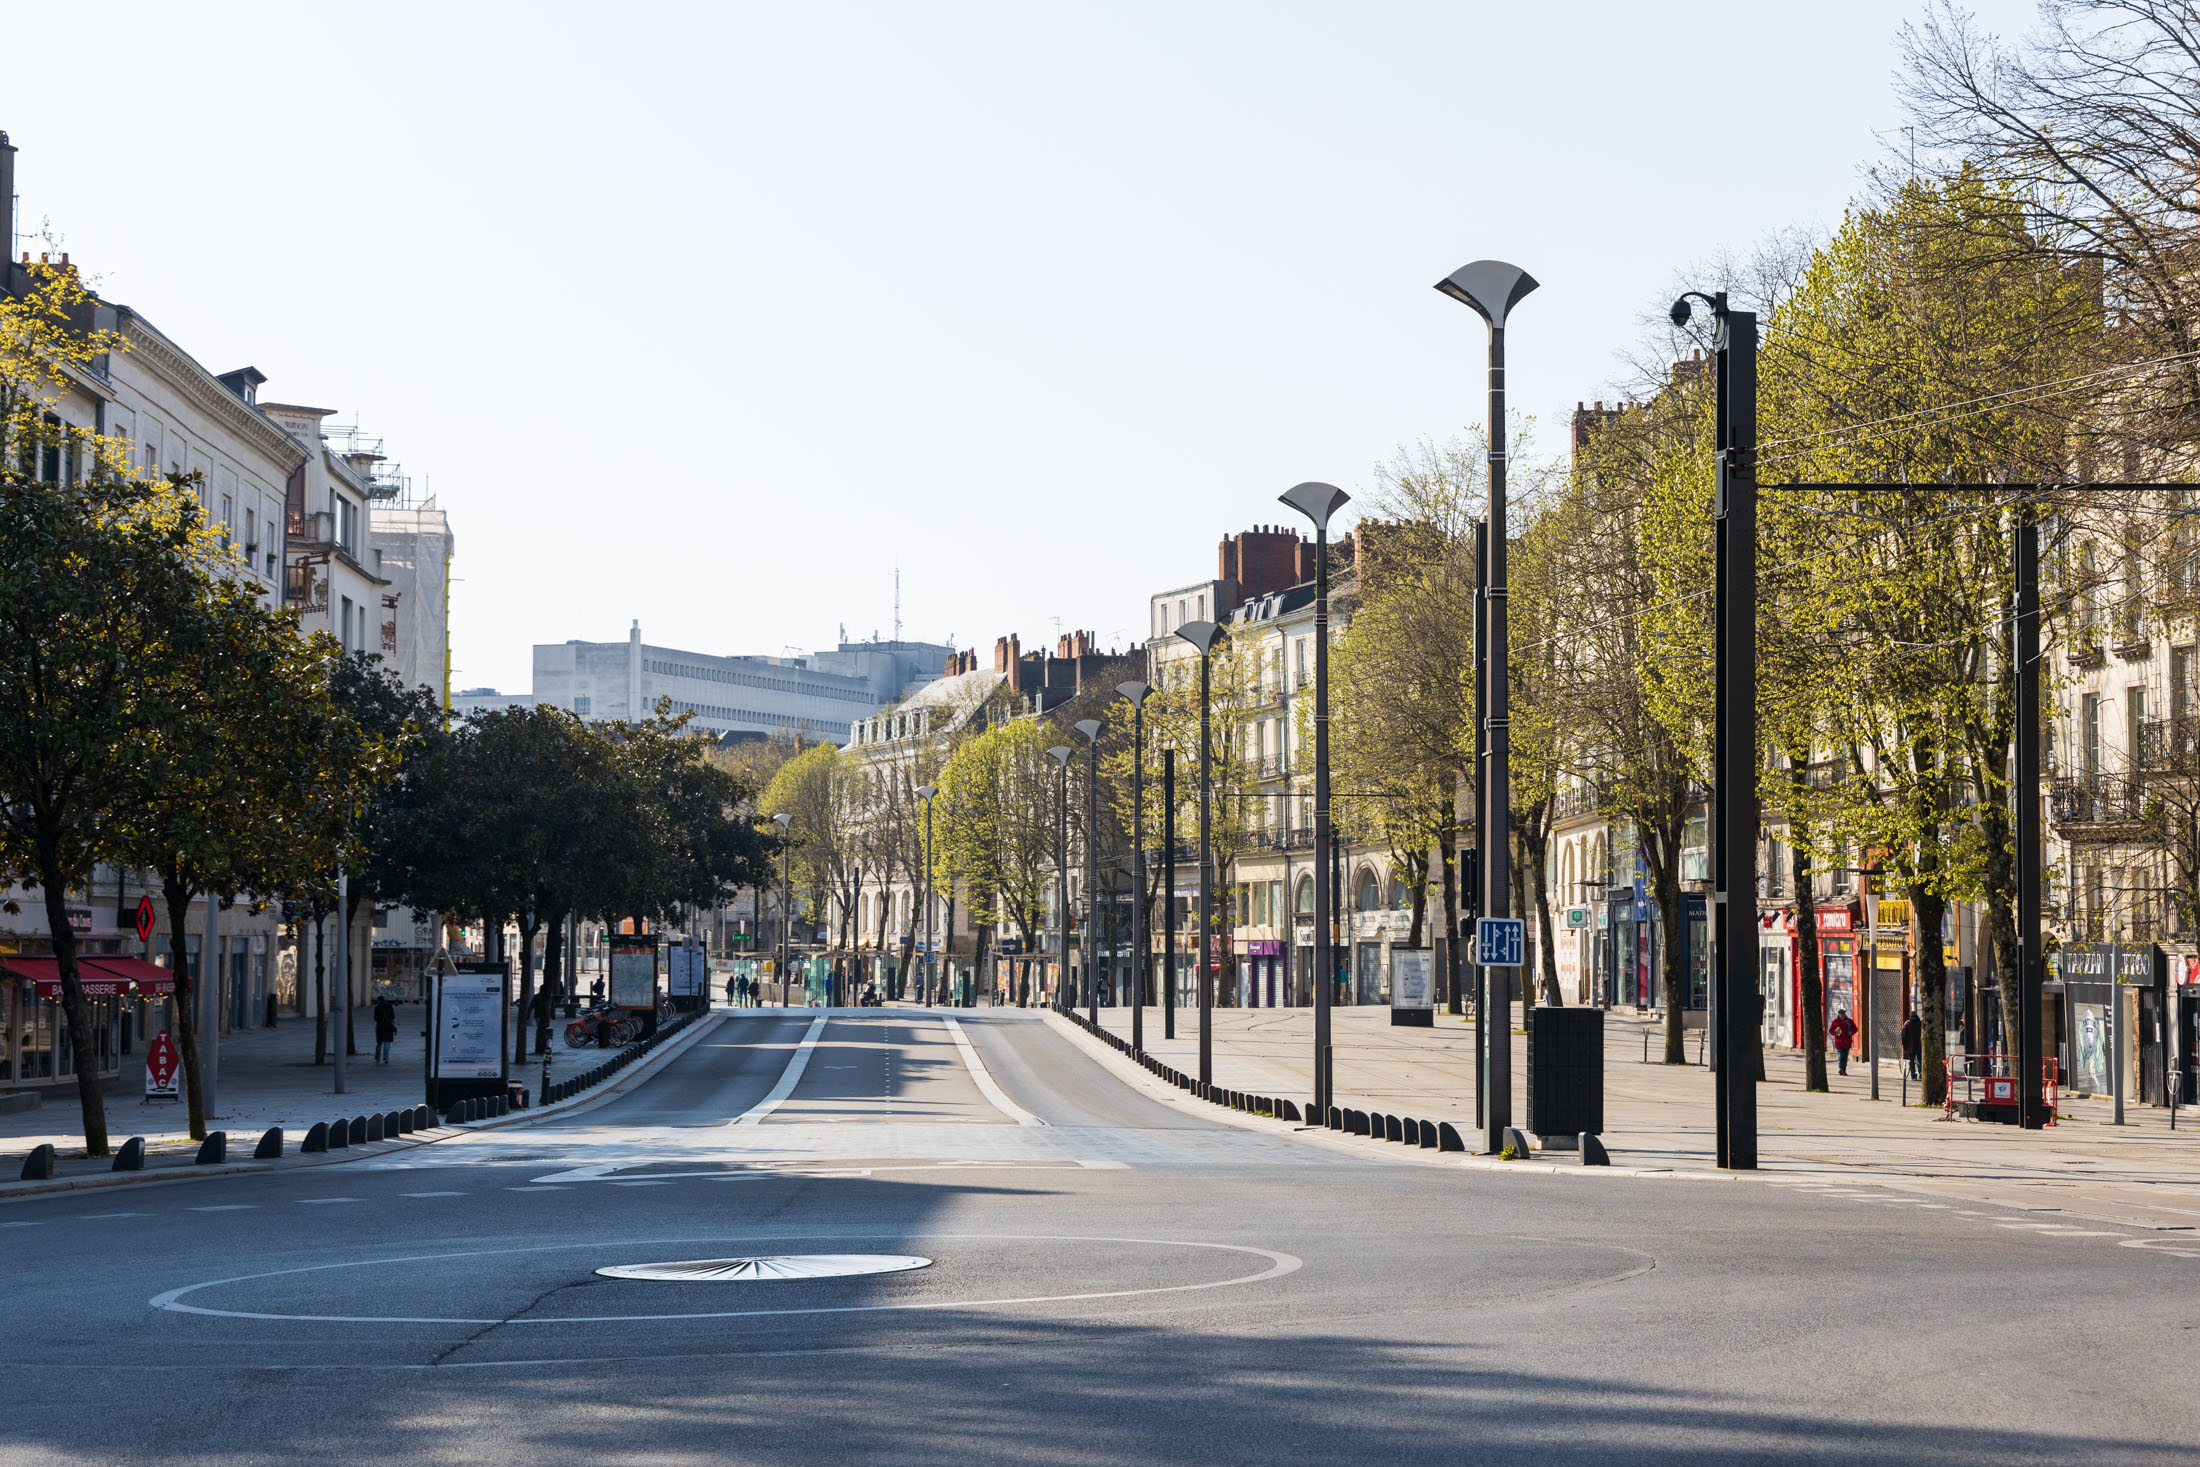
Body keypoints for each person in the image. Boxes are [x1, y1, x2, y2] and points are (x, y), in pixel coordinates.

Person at [1828, 1008, 1857, 1076]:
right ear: (1839, 1014)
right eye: (1841, 1014)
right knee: (1841, 1056)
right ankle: (1841, 1069)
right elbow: (1831, 1031)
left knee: (1845, 1057)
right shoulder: (1835, 1022)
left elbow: (1855, 1029)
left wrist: (1851, 1032)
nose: (1842, 1015)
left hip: (1847, 1042)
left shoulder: (1849, 1021)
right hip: (1839, 1042)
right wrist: (1835, 1031)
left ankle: (1843, 1070)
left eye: (1843, 1014)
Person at [372, 995, 398, 1066]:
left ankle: (377, 1058)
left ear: (379, 1000)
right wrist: (394, 1026)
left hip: (380, 1027)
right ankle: (385, 1058)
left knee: (379, 1043)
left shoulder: (377, 1007)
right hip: (388, 1027)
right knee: (387, 1042)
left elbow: (375, 1018)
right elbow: (393, 1017)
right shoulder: (389, 1006)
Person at [1901, 1008, 1922, 1081]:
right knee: (1919, 1060)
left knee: (1912, 1061)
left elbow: (1903, 1036)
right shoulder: (1920, 1024)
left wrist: (1904, 1045)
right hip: (1919, 1046)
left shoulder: (1907, 1024)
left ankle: (1913, 1075)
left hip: (1910, 1047)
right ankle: (1921, 1072)